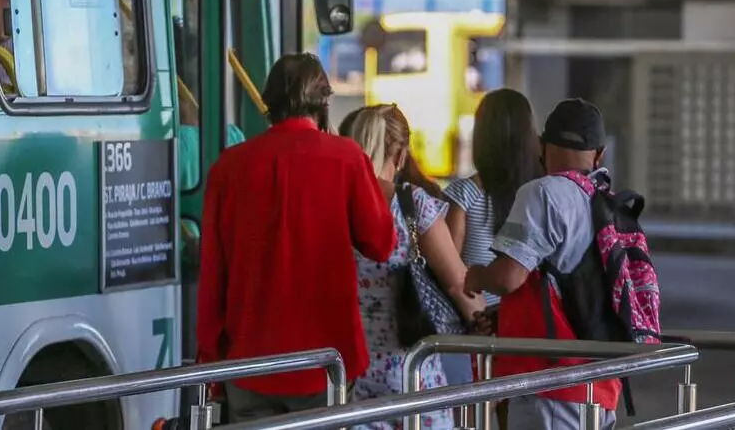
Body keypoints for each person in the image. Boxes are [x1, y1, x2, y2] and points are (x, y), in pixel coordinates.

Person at [197, 54, 396, 422]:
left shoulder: (228, 167)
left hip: (247, 362)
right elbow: (381, 243)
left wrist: (210, 358)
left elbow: (213, 275)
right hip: (326, 361)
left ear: (268, 103)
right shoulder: (346, 159)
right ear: (323, 104)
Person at [464, 98, 620, 430]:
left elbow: (508, 277)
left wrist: (477, 276)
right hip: (603, 383)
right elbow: (572, 288)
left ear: (542, 146)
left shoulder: (542, 193)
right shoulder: (608, 202)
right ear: (599, 153)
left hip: (552, 385)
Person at [341, 104, 484, 430]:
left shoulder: (336, 204)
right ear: (400, 153)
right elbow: (456, 282)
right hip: (414, 373)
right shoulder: (411, 202)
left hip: (353, 377)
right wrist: (484, 319)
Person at [441, 89, 542, 385]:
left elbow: (450, 274)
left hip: (476, 337)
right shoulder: (542, 195)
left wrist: (478, 317)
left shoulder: (464, 197)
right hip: (532, 335)